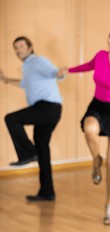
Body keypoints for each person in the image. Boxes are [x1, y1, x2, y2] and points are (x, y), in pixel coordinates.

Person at [57, 23, 110, 225]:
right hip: (97, 106)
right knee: (89, 129)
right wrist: (67, 70)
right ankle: (96, 160)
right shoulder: (101, 56)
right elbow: (87, 66)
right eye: (109, 36)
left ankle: (109, 205)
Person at [0, 36, 62, 202]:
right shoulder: (27, 67)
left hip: (47, 107)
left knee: (11, 119)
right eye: (16, 48)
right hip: (49, 110)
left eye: (21, 46)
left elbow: (54, 72)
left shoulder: (37, 61)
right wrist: (6, 80)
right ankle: (47, 192)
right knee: (42, 148)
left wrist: (60, 73)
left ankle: (28, 153)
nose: (18, 50)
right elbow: (24, 84)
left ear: (30, 47)